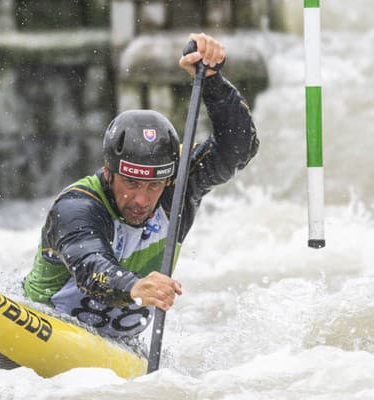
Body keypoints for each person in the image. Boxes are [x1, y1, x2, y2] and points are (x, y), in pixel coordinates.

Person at [23, 33, 259, 338]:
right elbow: (90, 266)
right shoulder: (76, 207)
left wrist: (212, 79)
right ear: (110, 172)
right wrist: (134, 286)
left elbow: (239, 148)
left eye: (153, 185)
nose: (141, 199)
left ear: (169, 179)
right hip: (43, 329)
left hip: (118, 350)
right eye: (131, 182)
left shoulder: (177, 192)